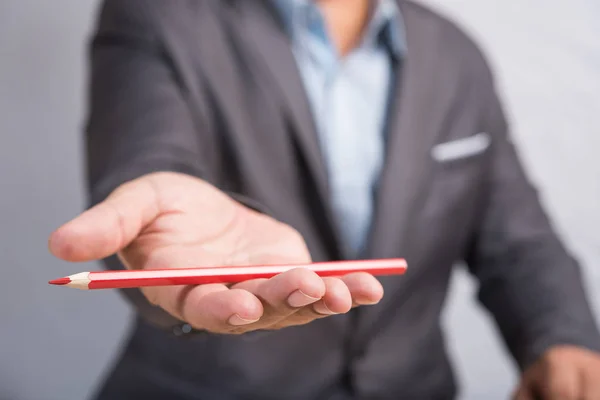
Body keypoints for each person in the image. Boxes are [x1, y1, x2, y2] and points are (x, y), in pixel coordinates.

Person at [49, 0, 600, 399]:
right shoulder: (155, 15)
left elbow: (517, 237)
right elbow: (150, 159)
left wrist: (564, 339)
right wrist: (167, 219)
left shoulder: (455, 54)